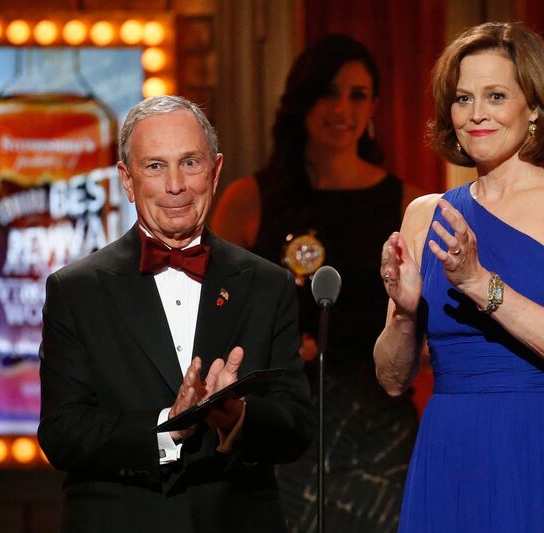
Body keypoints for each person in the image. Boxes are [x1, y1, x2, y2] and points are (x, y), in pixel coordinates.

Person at [374, 21, 544, 531]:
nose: (477, 114)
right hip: (453, 449)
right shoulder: (425, 214)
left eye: (495, 95)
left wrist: (476, 282)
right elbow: (394, 380)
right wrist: (402, 313)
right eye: (463, 98)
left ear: (533, 107)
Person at [37, 95, 313, 533]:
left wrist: (238, 417)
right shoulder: (76, 291)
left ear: (216, 171)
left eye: (190, 163)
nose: (175, 185)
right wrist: (170, 426)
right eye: (154, 167)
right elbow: (63, 433)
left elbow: (297, 425)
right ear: (127, 181)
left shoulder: (267, 285)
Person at [213, 35, 421, 532]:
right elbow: (211, 320)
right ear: (300, 99)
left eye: (358, 95)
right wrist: (275, 353)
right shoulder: (249, 201)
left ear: (373, 105)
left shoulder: (406, 205)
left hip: (377, 427)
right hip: (279, 425)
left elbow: (423, 325)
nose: (342, 109)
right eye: (329, 92)